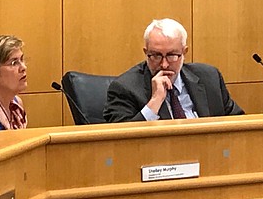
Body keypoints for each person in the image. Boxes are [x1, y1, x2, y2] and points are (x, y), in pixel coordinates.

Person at [103, 18, 244, 122]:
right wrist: (155, 101)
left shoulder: (210, 78)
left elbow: (238, 124)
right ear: (146, 52)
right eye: (156, 56)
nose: (164, 64)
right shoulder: (124, 88)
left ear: (184, 52)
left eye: (171, 55)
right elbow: (120, 141)